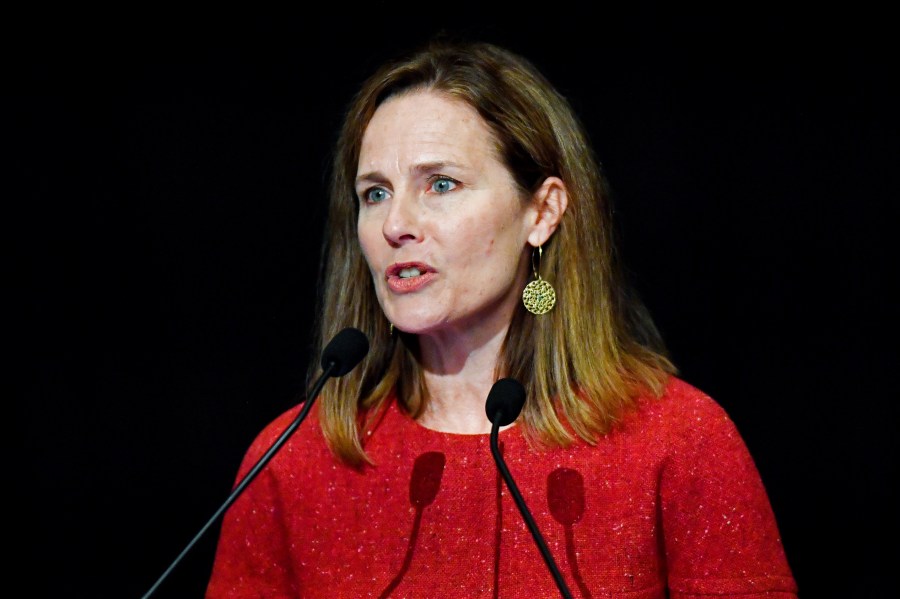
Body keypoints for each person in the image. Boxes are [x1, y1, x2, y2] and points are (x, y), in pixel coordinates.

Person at [205, 36, 798, 598]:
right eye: (375, 193)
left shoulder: (681, 442)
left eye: (440, 183)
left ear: (541, 212)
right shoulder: (291, 461)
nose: (394, 225)